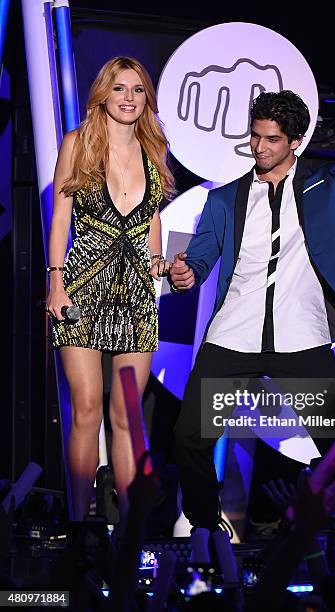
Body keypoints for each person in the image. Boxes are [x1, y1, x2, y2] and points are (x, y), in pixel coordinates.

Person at [169, 90, 335, 533]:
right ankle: (204, 532)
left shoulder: (321, 187)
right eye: (255, 137)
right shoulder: (225, 200)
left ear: (295, 141)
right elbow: (199, 258)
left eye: (271, 139)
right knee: (189, 438)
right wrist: (186, 275)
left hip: (301, 337)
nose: (259, 148)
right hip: (232, 337)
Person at [46, 56, 174, 526]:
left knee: (128, 418)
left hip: (136, 294)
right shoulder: (77, 144)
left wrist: (158, 261)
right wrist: (55, 283)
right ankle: (79, 527)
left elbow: (152, 217)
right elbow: (61, 217)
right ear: (104, 94)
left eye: (138, 91)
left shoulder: (153, 148)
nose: (129, 99)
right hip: (82, 288)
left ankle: (130, 530)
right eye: (120, 89)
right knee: (86, 410)